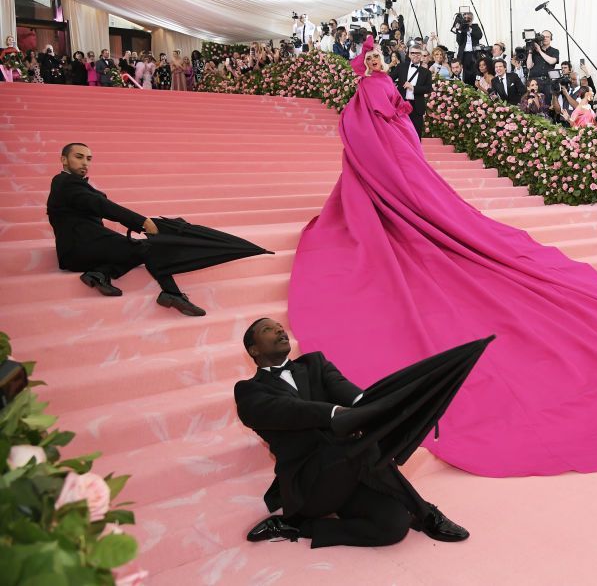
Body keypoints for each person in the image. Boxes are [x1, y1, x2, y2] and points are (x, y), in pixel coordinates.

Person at [286, 36, 597, 477]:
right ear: (362, 64)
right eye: (371, 57)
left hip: (396, 171)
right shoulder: (372, 91)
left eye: (379, 55)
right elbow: (388, 130)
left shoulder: (370, 94)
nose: (380, 61)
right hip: (395, 173)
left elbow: (385, 132)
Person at [235, 318, 469, 547]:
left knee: (393, 525)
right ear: (254, 349)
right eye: (269, 329)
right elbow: (292, 411)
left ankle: (297, 527)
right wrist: (338, 413)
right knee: (358, 445)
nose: (279, 330)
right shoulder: (249, 392)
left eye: (280, 327)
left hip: (349, 473)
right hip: (309, 487)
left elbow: (354, 396)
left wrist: (385, 405)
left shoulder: (314, 364)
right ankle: (426, 514)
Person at [46, 143, 205, 316]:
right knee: (148, 248)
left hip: (82, 248)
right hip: (80, 247)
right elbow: (102, 206)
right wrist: (142, 222)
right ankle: (172, 293)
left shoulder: (71, 185)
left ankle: (99, 273)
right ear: (63, 160)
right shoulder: (65, 182)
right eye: (79, 157)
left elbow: (95, 204)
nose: (85, 162)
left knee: (138, 248)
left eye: (89, 159)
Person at [389, 45, 432, 137]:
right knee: (400, 132)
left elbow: (428, 88)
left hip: (417, 106)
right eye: (413, 53)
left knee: (416, 133)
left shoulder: (426, 72)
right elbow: (389, 79)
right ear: (409, 54)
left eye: (418, 53)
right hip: (402, 104)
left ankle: (416, 151)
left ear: (421, 55)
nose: (416, 55)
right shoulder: (401, 67)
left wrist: (413, 87)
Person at [452, 11, 483, 85]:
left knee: (475, 70)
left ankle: (475, 86)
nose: (466, 19)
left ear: (472, 19)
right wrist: (459, 30)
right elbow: (459, 42)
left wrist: (470, 29)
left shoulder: (475, 26)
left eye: (468, 18)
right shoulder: (461, 28)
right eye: (465, 18)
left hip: (474, 54)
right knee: (464, 71)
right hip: (464, 54)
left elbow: (479, 36)